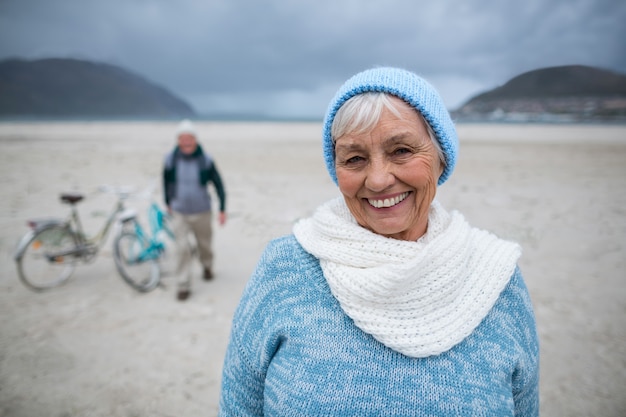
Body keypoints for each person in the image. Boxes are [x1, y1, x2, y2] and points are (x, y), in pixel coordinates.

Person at [218, 68, 539, 415]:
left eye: (401, 150)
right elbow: (238, 406)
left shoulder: (496, 278)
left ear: (440, 157)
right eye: (355, 158)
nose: (378, 179)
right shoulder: (285, 269)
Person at [163, 119, 226, 301]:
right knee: (181, 248)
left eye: (189, 138)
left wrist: (222, 208)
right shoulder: (170, 159)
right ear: (178, 140)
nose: (186, 142)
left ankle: (207, 265)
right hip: (179, 211)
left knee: (204, 245)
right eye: (183, 138)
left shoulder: (206, 160)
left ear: (195, 140)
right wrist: (168, 202)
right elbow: (166, 182)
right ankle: (183, 285)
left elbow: (218, 184)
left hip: (202, 211)